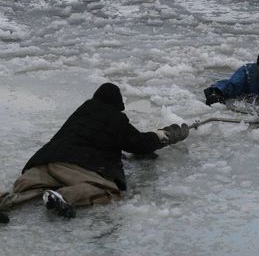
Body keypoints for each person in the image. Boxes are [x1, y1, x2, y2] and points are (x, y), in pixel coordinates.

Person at [0, 83, 189, 222]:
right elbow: (138, 143)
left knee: (26, 188)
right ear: (117, 104)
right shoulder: (115, 118)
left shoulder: (81, 111)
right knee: (109, 191)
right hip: (77, 167)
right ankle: (64, 197)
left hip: (44, 163)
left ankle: (5, 200)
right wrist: (161, 135)